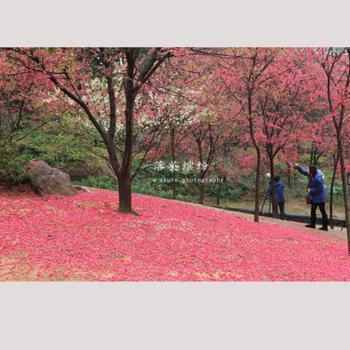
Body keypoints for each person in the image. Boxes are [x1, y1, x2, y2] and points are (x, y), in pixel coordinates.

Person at [294, 164, 328, 231]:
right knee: (313, 210)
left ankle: (325, 227)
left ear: (312, 171)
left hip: (321, 197)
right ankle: (312, 225)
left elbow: (320, 190)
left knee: (322, 211)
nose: (308, 171)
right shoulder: (310, 174)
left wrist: (311, 190)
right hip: (315, 196)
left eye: (309, 170)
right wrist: (298, 168)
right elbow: (303, 172)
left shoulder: (319, 179)